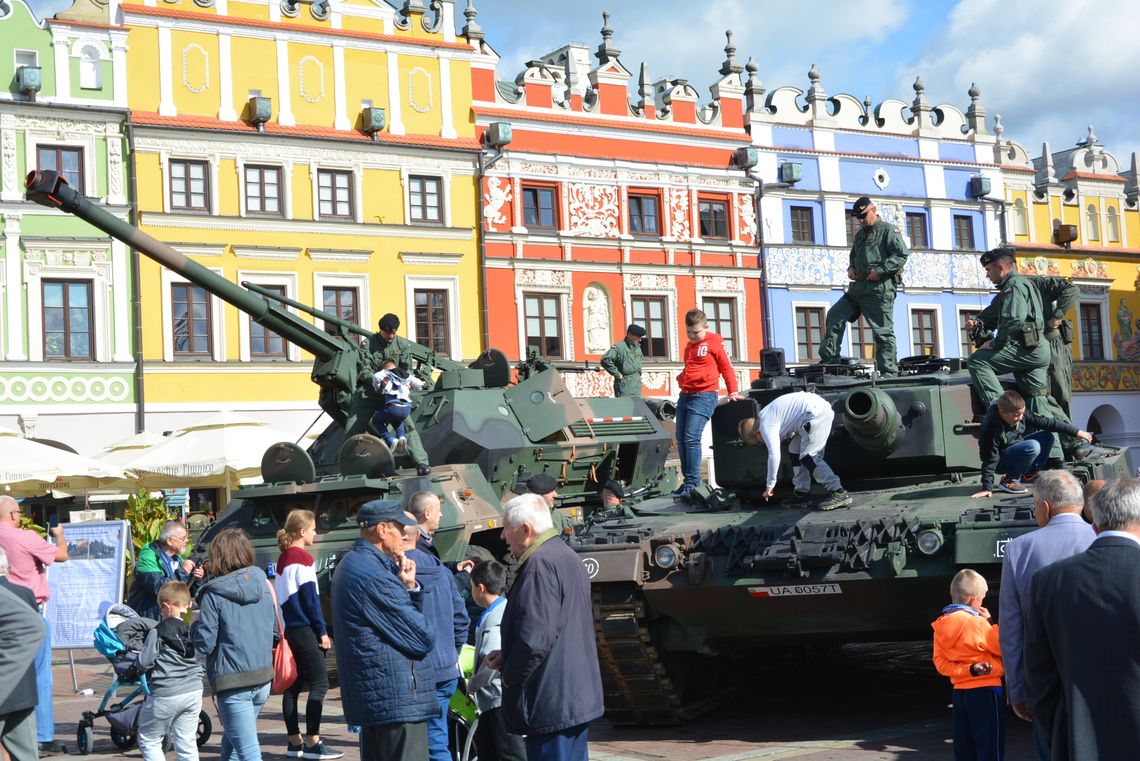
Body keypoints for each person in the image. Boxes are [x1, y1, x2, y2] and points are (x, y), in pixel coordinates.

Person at [1025, 477, 1140, 759]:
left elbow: (1040, 678)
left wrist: (1064, 734)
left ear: (1095, 524)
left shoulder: (1048, 581)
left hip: (1079, 744)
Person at [485, 494, 603, 761]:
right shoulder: (565, 555)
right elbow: (554, 629)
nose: (503, 536)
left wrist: (509, 675)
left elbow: (535, 640)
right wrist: (509, 656)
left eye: (506, 528)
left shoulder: (539, 566)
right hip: (571, 695)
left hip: (551, 700)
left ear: (525, 529)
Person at [996, 470, 1093, 761]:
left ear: (1045, 507)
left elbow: (1011, 629)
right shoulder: (1102, 539)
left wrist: (1017, 690)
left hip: (1043, 680)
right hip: (1099, 677)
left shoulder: (1018, 549)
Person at [330, 500, 436, 761]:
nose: (404, 534)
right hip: (396, 700)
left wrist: (406, 587)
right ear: (381, 529)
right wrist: (409, 591)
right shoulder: (374, 575)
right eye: (399, 527)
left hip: (380, 697)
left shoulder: (355, 564)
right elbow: (422, 638)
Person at [968, 248, 1063, 463]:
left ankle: (1001, 412)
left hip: (1026, 349)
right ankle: (1055, 458)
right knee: (1037, 401)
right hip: (1037, 349)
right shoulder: (1020, 284)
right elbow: (993, 314)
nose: (987, 274)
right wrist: (978, 321)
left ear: (1001, 267)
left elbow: (1013, 320)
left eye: (989, 269)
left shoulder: (1013, 287)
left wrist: (995, 343)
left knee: (977, 362)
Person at [191, 528, 278, 761]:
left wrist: (192, 627)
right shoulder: (262, 581)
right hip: (262, 677)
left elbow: (204, 643)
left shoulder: (212, 594)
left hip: (233, 681)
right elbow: (275, 632)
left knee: (248, 752)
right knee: (232, 745)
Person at [0, 495, 69, 755]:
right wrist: (59, 534)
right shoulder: (25, 537)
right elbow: (61, 555)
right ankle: (42, 734)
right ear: (14, 515)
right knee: (38, 676)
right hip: (28, 610)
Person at [818, 196, 909, 377]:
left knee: (882, 332)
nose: (861, 220)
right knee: (835, 315)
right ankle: (830, 359)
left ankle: (888, 371)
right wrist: (851, 268)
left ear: (873, 210)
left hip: (878, 291)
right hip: (858, 289)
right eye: (858, 217)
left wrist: (881, 271)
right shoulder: (860, 235)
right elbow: (854, 256)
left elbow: (901, 255)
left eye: (863, 216)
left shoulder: (888, 231)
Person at [401, 518, 469, 761]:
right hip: (445, 669)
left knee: (409, 744)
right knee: (437, 740)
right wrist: (451, 653)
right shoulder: (442, 571)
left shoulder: (393, 571)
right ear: (417, 536)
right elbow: (461, 620)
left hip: (413, 674)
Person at [275, 510, 340, 760]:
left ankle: (294, 742)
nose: (316, 532)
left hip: (291, 627)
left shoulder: (284, 558)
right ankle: (314, 742)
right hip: (305, 628)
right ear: (302, 532)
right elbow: (311, 600)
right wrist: (322, 631)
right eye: (313, 529)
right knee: (320, 683)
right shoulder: (302, 558)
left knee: (293, 685)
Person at [931, 568, 1004, 761]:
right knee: (990, 747)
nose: (982, 602)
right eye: (982, 598)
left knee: (965, 747)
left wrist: (969, 670)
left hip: (960, 693)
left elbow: (941, 664)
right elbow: (1002, 647)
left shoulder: (940, 626)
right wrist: (991, 621)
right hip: (987, 690)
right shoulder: (978, 624)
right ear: (973, 600)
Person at [737, 391, 851, 511]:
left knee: (809, 456)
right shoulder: (763, 416)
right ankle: (801, 492)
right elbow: (790, 420)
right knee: (794, 451)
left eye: (759, 442)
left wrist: (770, 485)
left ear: (757, 433)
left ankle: (838, 492)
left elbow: (774, 455)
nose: (763, 442)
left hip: (816, 414)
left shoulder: (766, 427)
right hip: (809, 414)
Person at [348, 313, 431, 475]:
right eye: (388, 333)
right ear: (381, 330)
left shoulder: (403, 345)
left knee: (408, 427)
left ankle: (421, 463)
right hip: (370, 391)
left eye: (394, 332)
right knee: (353, 427)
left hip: (393, 394)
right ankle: (348, 465)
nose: (391, 336)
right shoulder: (368, 344)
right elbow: (364, 370)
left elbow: (406, 369)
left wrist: (400, 384)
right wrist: (379, 382)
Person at [674, 308, 744, 496]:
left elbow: (726, 367)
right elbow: (690, 368)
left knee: (691, 437)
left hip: (704, 395)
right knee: (680, 438)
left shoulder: (716, 341)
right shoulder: (689, 347)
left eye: (696, 332)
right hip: (686, 394)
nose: (692, 336)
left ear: (706, 327)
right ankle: (688, 480)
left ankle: (693, 483)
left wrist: (733, 391)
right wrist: (682, 378)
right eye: (688, 332)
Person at [970, 391, 1092, 498]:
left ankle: (1029, 476)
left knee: (1047, 436)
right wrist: (987, 487)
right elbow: (990, 458)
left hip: (1016, 449)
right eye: (1017, 415)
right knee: (1032, 446)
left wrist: (1076, 432)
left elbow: (1049, 423)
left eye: (1022, 414)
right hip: (1001, 461)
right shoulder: (991, 427)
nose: (1021, 418)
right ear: (1002, 412)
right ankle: (1008, 480)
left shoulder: (1019, 414)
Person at [136, 580, 204, 761]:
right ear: (189, 605)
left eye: (160, 609)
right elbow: (185, 618)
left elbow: (144, 661)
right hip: (194, 690)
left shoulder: (157, 632)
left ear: (166, 607)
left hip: (166, 692)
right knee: (187, 740)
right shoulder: (194, 627)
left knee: (149, 739)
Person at [466, 560, 525, 761]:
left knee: (509, 754)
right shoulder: (499, 610)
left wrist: (472, 684)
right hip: (493, 700)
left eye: (472, 587)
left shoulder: (497, 616)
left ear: (481, 588)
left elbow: (492, 662)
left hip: (498, 699)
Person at [0, 546, 46, 761]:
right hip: (23, 688)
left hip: (5, 685)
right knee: (26, 756)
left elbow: (32, 628)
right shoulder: (25, 593)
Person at [128, 520, 204, 621]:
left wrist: (196, 579)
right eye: (183, 538)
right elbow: (159, 588)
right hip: (149, 621)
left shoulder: (177, 560)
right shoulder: (148, 557)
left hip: (170, 622)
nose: (186, 541)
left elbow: (187, 592)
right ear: (170, 541)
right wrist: (183, 571)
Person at [371, 359, 426, 452]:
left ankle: (390, 439)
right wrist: (410, 387)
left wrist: (378, 387)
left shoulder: (384, 373)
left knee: (376, 421)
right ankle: (402, 437)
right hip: (406, 408)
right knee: (397, 419)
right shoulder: (406, 375)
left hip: (393, 406)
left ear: (384, 368)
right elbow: (419, 384)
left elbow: (376, 377)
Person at [600, 324, 646, 397]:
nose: (640, 340)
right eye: (637, 337)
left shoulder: (637, 348)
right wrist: (618, 375)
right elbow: (605, 360)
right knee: (625, 407)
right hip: (625, 387)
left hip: (637, 386)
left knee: (637, 407)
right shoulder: (619, 347)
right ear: (629, 335)